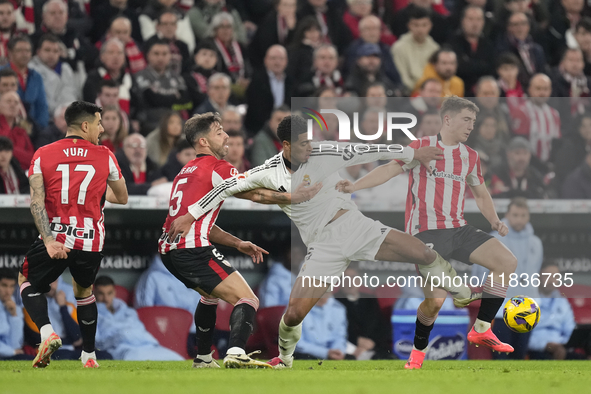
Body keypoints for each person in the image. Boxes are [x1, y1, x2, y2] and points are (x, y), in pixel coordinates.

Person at [169, 114, 481, 370]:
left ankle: (463, 292)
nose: (311, 147)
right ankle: (285, 359)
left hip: (356, 226)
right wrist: (191, 215)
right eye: (304, 143)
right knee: (292, 315)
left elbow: (369, 150)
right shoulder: (267, 171)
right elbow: (225, 188)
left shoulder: (325, 152)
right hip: (323, 247)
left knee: (423, 252)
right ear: (287, 146)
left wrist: (413, 153)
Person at [336, 96, 519, 369]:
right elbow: (389, 168)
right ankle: (418, 352)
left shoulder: (470, 156)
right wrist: (355, 186)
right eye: (466, 120)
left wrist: (494, 220)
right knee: (434, 302)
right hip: (427, 234)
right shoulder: (421, 146)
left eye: (474, 121)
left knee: (507, 261)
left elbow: (480, 193)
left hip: (459, 228)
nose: (471, 126)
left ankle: (481, 328)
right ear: (448, 119)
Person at [157, 112, 300, 369]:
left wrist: (237, 243)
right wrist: (294, 196)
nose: (227, 136)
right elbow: (257, 195)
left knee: (209, 296)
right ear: (203, 141)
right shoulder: (218, 168)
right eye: (219, 131)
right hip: (192, 249)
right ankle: (235, 352)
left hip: (169, 251)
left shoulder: (185, 170)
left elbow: (198, 222)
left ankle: (202, 359)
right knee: (248, 300)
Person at [17, 101, 129, 369]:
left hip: (57, 234)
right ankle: (89, 357)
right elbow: (122, 197)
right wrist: (96, 191)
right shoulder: (106, 155)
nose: (102, 129)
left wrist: (49, 240)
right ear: (86, 125)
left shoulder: (43, 154)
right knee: (84, 291)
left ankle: (47, 333)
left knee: (26, 280)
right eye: (99, 123)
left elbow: (36, 202)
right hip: (91, 239)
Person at [472, 197, 543, 359]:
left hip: (528, 308)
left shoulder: (536, 243)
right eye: (515, 215)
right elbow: (480, 272)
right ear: (507, 215)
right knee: (499, 357)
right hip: (500, 309)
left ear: (529, 217)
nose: (519, 219)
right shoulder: (494, 239)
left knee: (519, 356)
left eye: (523, 215)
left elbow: (535, 272)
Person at [94, 275, 185, 361]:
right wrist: (121, 336)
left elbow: (141, 332)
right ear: (94, 293)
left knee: (177, 359)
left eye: (109, 293)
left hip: (147, 345)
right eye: (101, 294)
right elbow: (98, 344)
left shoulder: (129, 312)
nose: (106, 298)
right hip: (123, 349)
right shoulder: (93, 315)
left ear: (114, 293)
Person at [135, 39, 191, 133]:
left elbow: (187, 102)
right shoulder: (141, 76)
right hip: (152, 121)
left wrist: (161, 98)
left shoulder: (176, 77)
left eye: (164, 54)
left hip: (177, 121)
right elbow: (151, 100)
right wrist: (175, 97)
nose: (160, 58)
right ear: (148, 55)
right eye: (156, 54)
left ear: (170, 56)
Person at [528, 262, 577, 360]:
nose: (552, 280)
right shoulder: (526, 302)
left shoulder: (563, 302)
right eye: (548, 276)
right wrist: (545, 345)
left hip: (561, 348)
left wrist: (561, 345)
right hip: (537, 351)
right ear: (537, 276)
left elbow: (570, 330)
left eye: (555, 277)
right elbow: (521, 338)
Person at [2, 34, 49, 128]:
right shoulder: (2, 74)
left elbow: (42, 106)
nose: (24, 54)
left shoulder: (36, 76)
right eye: (20, 50)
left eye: (27, 51)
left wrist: (40, 129)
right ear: (10, 53)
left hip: (34, 128)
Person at [244, 44, 292, 135]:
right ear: (266, 60)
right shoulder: (256, 81)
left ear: (286, 61)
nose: (277, 62)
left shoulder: (291, 81)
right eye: (273, 58)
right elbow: (255, 109)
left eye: (281, 59)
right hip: (261, 129)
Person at [391, 6, 439, 93]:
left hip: (432, 93)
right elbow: (403, 79)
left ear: (430, 26)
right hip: (409, 93)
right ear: (409, 25)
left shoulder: (435, 48)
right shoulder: (399, 47)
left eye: (424, 25)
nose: (420, 29)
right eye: (416, 25)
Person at [28, 33, 78, 115]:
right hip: (45, 116)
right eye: (47, 50)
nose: (51, 54)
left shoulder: (66, 68)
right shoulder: (31, 69)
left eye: (55, 51)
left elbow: (71, 94)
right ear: (38, 52)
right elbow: (40, 99)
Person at [294, 294, 348, 360]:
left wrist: (337, 351)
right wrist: (325, 353)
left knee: (352, 360)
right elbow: (297, 344)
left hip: (331, 354)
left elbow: (340, 338)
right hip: (305, 354)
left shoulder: (339, 308)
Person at [0, 267, 31, 360]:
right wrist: (11, 352)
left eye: (11, 286)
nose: (8, 291)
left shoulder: (14, 307)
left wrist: (14, 315)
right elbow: (14, 350)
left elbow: (16, 344)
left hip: (8, 356)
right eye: (4, 285)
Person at [0, 90, 33, 170]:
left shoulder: (22, 130)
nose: (12, 105)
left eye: (16, 102)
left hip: (22, 174)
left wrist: (11, 151)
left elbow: (32, 159)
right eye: (8, 101)